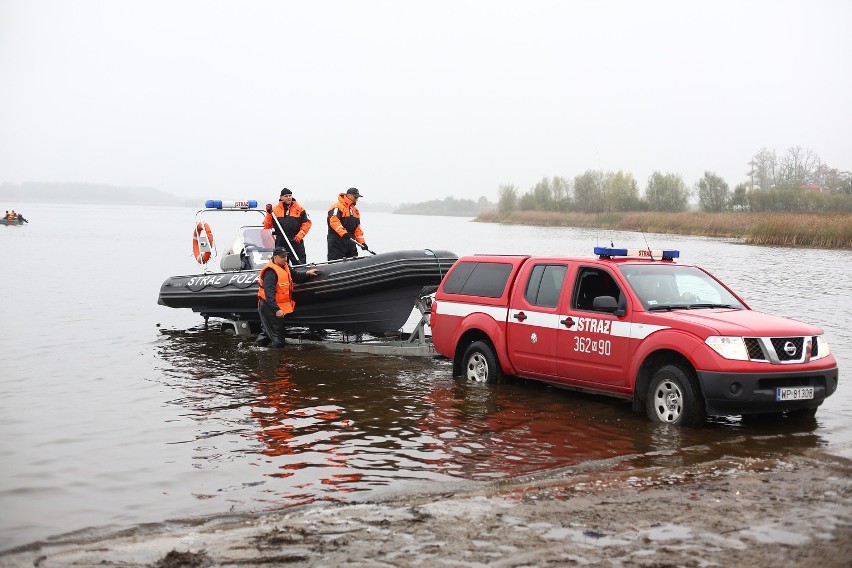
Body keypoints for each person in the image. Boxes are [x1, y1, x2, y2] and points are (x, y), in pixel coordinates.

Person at [255, 247, 319, 347]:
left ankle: (257, 350)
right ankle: (276, 359)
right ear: (275, 257)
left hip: (277, 305)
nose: (285, 259)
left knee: (267, 332)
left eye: (286, 256)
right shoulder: (270, 272)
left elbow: (296, 277)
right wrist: (276, 309)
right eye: (282, 257)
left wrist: (307, 274)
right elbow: (269, 294)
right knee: (278, 338)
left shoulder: (285, 266)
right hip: (269, 305)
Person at [264, 188, 312, 265]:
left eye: (290, 195)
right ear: (281, 197)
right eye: (286, 196)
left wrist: (299, 236)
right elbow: (267, 226)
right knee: (279, 264)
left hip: (295, 240)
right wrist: (269, 213)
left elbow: (307, 223)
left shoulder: (300, 209)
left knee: (300, 263)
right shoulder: (274, 210)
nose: (289, 197)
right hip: (281, 240)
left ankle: (301, 275)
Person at [327, 187, 368, 261]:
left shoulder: (355, 210)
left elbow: (357, 229)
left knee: (353, 261)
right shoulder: (337, 207)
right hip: (337, 241)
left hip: (351, 242)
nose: (356, 199)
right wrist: (344, 233)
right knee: (336, 262)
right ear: (349, 195)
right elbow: (334, 221)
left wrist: (362, 243)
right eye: (355, 197)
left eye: (357, 197)